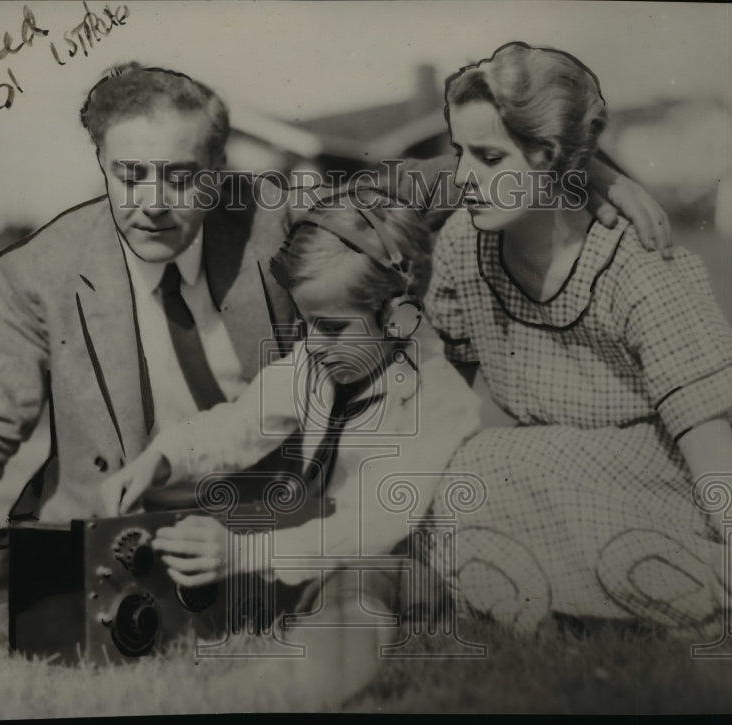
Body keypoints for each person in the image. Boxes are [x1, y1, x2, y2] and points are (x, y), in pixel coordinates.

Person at [0, 59, 667, 630]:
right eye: (130, 175)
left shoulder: (274, 217)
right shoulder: (36, 273)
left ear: (219, 172)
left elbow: (425, 182)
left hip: (274, 525)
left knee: (368, 591)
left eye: (180, 177)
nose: (151, 203)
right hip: (114, 535)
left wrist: (583, 173)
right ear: (102, 165)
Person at [425, 41, 732, 633]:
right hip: (554, 481)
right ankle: (663, 589)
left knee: (492, 468)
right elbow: (444, 403)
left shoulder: (636, 266)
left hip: (677, 483)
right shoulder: (464, 244)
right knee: (462, 480)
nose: (462, 178)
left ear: (551, 158)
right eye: (459, 153)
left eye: (487, 157)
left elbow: (710, 443)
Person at [100, 188, 480, 707]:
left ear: (400, 317)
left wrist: (245, 551)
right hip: (316, 550)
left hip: (410, 560)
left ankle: (296, 684)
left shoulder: (434, 396)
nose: (313, 344)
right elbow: (238, 424)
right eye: (305, 325)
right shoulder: (315, 363)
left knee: (357, 588)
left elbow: (373, 527)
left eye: (332, 327)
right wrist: (162, 458)